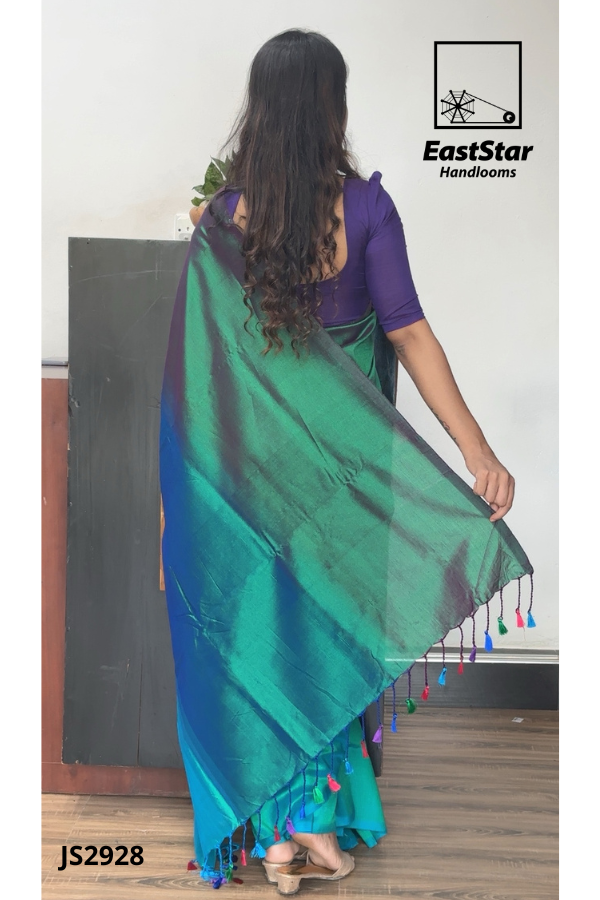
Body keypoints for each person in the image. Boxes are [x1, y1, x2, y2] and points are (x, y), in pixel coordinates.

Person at [159, 28, 533, 893]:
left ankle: (282, 838)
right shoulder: (365, 211)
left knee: (270, 636)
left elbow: (196, 382)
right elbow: (408, 333)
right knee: (333, 635)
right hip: (347, 482)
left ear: (259, 113)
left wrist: (176, 506)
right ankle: (313, 831)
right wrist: (477, 453)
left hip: (251, 481)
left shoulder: (223, 222)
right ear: (332, 110)